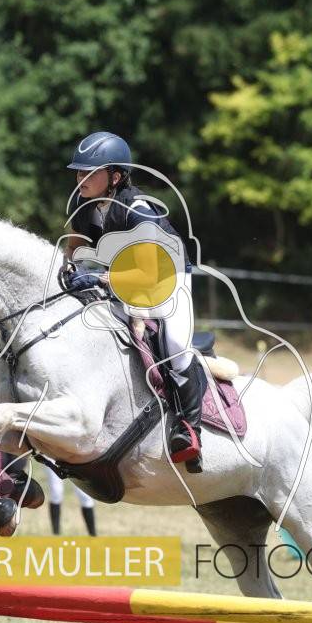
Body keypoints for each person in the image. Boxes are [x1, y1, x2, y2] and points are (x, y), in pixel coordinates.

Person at [63, 131, 202, 471]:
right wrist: (69, 270)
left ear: (115, 176)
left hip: (166, 278)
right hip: (123, 277)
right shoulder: (83, 206)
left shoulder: (137, 209)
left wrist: (99, 278)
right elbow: (73, 247)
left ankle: (188, 430)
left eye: (89, 172)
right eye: (79, 172)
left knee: (174, 344)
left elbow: (147, 273)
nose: (81, 178)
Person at [45, 468, 97, 536]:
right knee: (56, 492)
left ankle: (93, 535)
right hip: (54, 461)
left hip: (76, 462)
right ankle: (56, 534)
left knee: (84, 495)